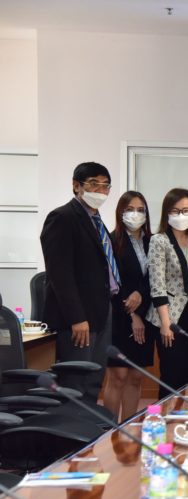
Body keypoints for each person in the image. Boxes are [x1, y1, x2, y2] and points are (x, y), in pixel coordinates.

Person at [40, 162, 119, 402]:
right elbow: (60, 274)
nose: (100, 191)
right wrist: (77, 318)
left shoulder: (96, 220)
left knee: (94, 378)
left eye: (105, 186)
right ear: (77, 186)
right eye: (94, 184)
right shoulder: (62, 217)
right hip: (78, 317)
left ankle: (87, 424)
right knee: (76, 381)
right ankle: (71, 425)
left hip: (101, 310)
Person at [146, 188, 188, 396]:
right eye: (176, 211)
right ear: (167, 213)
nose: (181, 215)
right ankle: (161, 415)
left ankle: (181, 415)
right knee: (171, 375)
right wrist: (165, 323)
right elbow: (157, 284)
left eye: (186, 210)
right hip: (170, 316)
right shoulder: (159, 240)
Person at [103, 190, 157, 421]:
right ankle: (108, 432)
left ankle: (128, 429)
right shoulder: (111, 241)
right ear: (120, 212)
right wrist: (132, 314)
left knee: (136, 377)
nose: (136, 214)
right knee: (118, 376)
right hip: (119, 316)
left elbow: (154, 278)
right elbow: (111, 282)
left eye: (140, 210)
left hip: (146, 314)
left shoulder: (153, 241)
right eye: (130, 209)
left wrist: (141, 298)